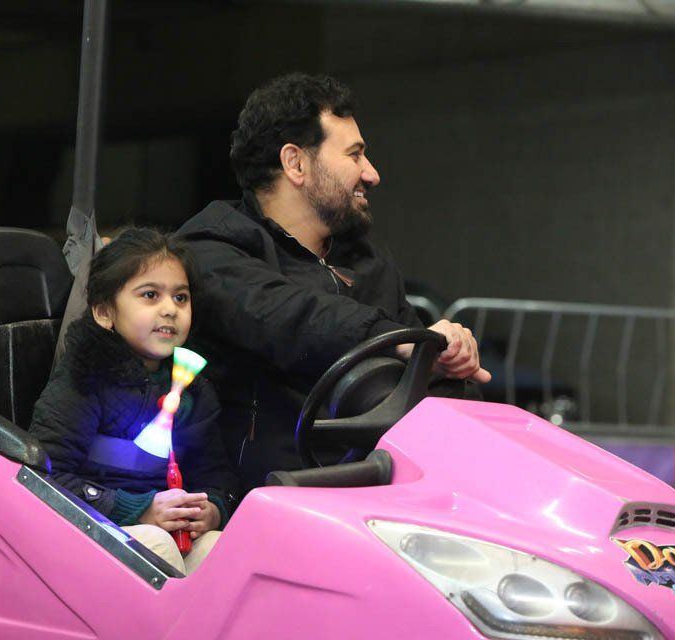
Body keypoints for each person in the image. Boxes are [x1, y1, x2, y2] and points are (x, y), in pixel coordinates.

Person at [177, 73, 491, 493]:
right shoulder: (210, 250)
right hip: (261, 502)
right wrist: (400, 340)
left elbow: (419, 376)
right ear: (296, 164)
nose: (372, 174)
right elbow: (290, 317)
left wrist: (449, 357)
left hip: (374, 497)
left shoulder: (367, 260)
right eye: (355, 155)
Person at [29, 228, 237, 575]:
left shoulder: (194, 388)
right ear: (104, 312)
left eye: (180, 297)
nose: (170, 309)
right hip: (89, 530)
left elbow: (217, 476)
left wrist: (212, 509)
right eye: (150, 295)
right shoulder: (84, 379)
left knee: (221, 547)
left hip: (168, 528)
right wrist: (137, 509)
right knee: (155, 546)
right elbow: (45, 477)